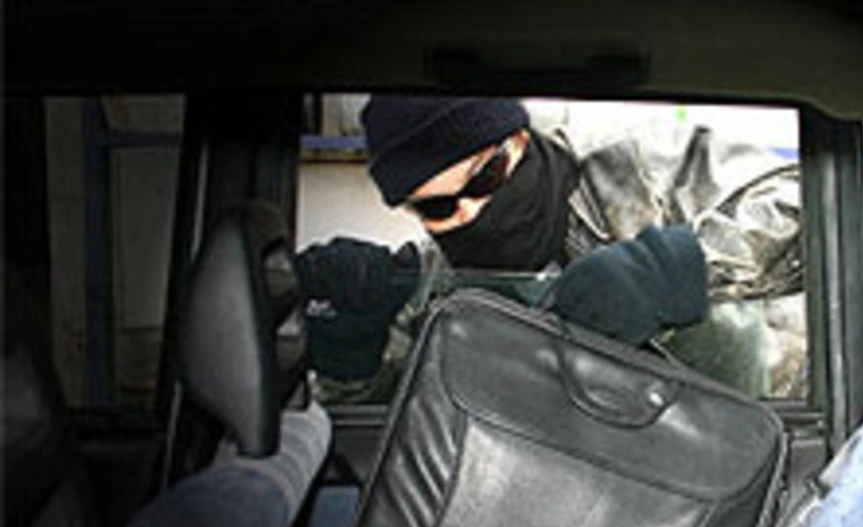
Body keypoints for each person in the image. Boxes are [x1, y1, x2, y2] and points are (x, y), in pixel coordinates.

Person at [297, 95, 805, 402]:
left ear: (518, 141)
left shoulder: (639, 164)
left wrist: (674, 269)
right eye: (437, 207)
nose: (470, 213)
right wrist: (353, 360)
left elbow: (802, 202)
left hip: (761, 421)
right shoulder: (440, 283)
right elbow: (399, 415)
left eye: (485, 178)